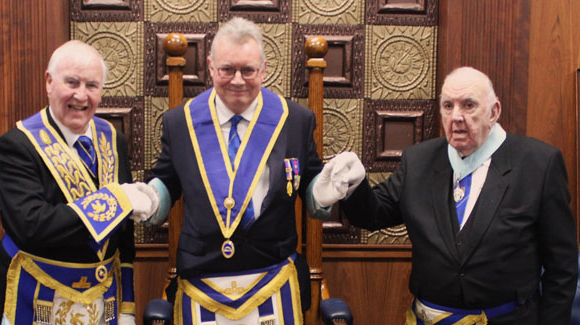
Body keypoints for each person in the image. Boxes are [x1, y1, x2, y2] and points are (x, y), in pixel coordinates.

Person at [314, 67, 579, 324]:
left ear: (494, 111)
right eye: (448, 106)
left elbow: (562, 267)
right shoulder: (419, 160)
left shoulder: (538, 164)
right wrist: (352, 184)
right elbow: (374, 214)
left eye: (468, 105)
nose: (456, 117)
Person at [143, 17, 326, 325]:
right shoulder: (180, 123)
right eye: (227, 69)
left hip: (272, 277)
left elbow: (310, 187)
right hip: (203, 279)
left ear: (264, 69)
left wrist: (325, 190)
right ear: (211, 67)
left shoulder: (295, 120)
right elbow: (167, 183)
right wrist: (149, 199)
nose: (238, 80)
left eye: (248, 70)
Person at [0, 40, 158, 325]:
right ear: (49, 82)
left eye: (92, 86)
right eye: (71, 82)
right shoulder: (18, 145)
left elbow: (123, 237)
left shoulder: (113, 139)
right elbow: (32, 227)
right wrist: (117, 200)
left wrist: (128, 306)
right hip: (37, 298)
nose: (81, 95)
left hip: (102, 300)